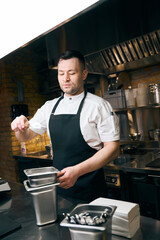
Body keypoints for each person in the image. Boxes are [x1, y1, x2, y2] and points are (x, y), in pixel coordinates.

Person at [11, 50, 120, 202]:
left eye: (71, 73)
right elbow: (26, 136)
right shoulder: (49, 107)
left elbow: (112, 149)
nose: (66, 79)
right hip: (60, 191)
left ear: (84, 74)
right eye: (61, 73)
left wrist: (77, 171)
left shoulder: (99, 106)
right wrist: (19, 128)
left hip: (90, 191)